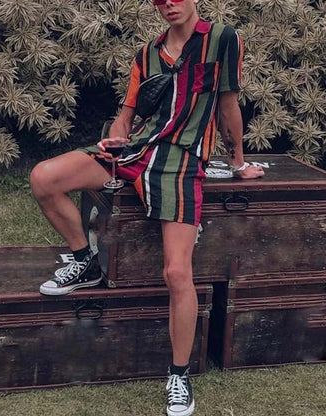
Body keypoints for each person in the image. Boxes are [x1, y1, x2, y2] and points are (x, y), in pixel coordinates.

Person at [30, 0, 265, 414]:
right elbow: (127, 114)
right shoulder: (147, 54)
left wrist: (238, 163)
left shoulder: (222, 39)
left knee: (176, 272)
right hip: (137, 151)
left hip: (181, 162)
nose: (168, 3)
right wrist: (116, 137)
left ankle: (179, 374)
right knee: (44, 178)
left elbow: (228, 104)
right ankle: (86, 261)